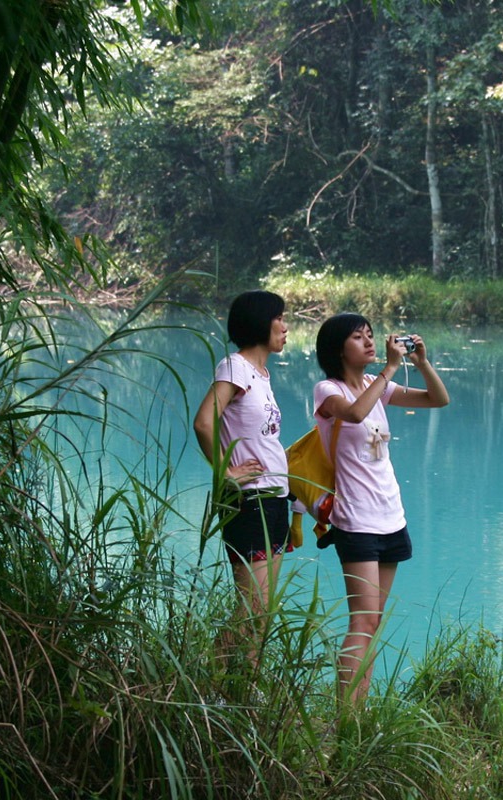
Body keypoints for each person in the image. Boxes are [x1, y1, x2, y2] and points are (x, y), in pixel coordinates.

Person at [312, 313, 450, 702]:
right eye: (359, 338)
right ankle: (346, 718)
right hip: (356, 520)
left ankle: (359, 710)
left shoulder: (376, 385)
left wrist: (421, 362)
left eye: (371, 335)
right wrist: (391, 367)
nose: (370, 343)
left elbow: (438, 399)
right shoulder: (327, 390)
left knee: (373, 623)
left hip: (391, 516)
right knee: (361, 622)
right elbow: (354, 413)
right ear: (339, 349)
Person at [192, 290, 291, 671]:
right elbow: (204, 422)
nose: (285, 326)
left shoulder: (260, 375)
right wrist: (225, 471)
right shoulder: (234, 366)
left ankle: (245, 691)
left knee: (262, 612)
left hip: (274, 499)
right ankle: (211, 680)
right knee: (252, 610)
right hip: (249, 502)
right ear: (260, 323)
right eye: (279, 318)